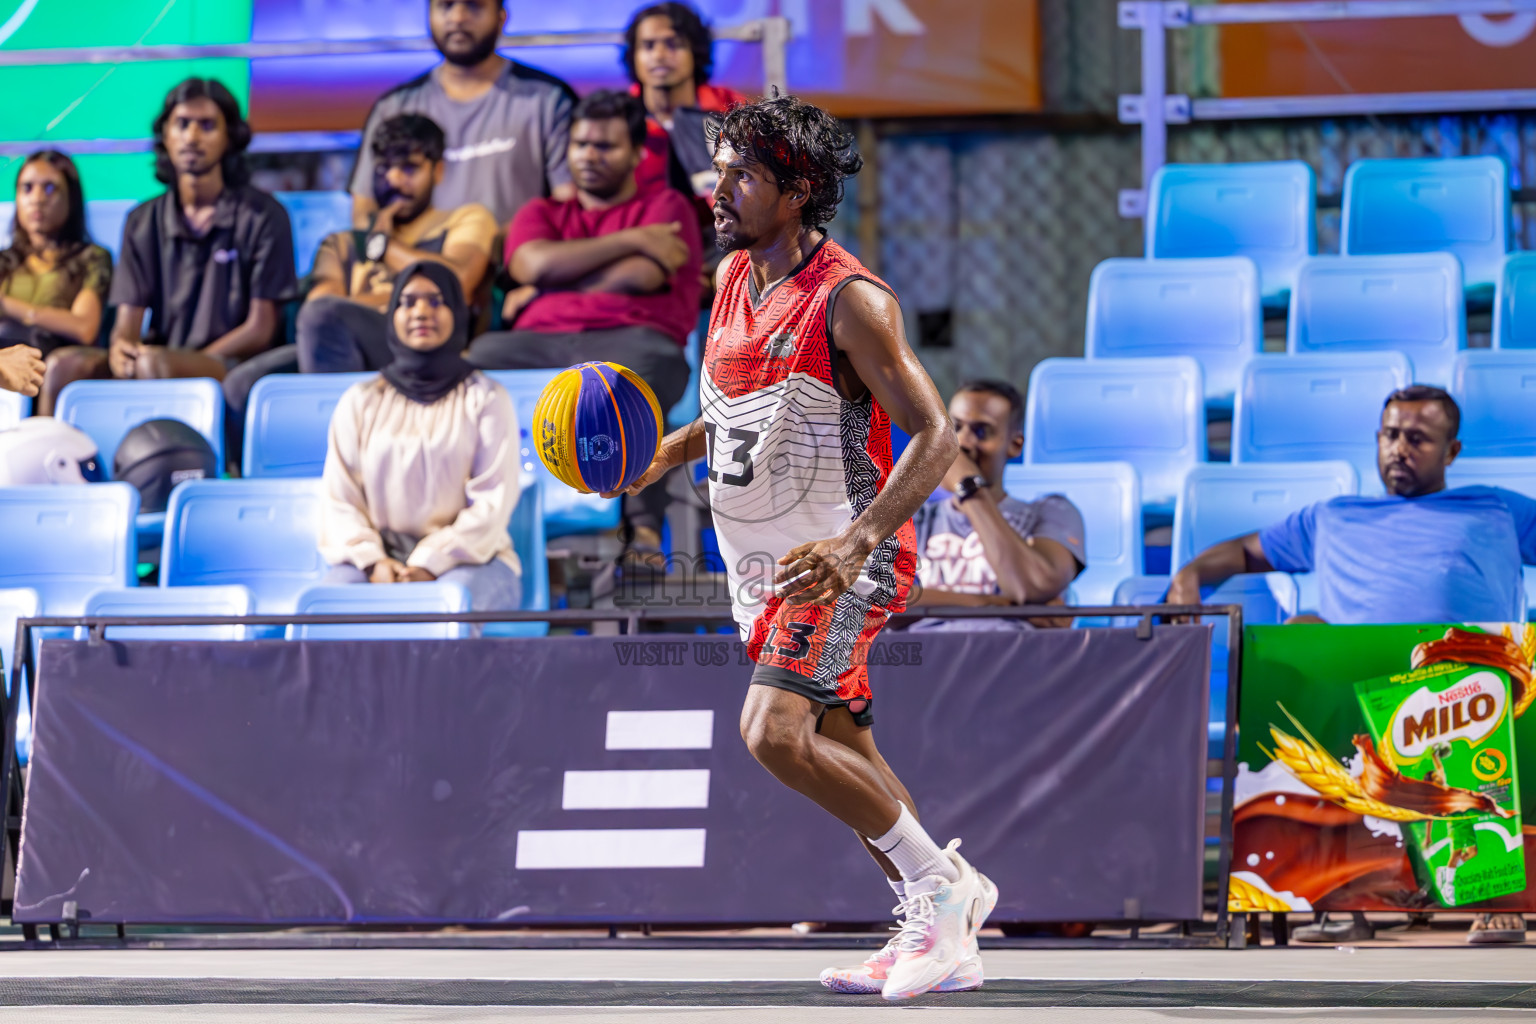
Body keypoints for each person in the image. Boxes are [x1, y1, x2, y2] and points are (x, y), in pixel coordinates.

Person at [613, 96, 994, 1001]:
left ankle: (943, 891)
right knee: (843, 750)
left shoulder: (851, 299)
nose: (720, 189)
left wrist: (855, 540)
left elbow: (937, 434)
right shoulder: (734, 278)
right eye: (721, 170)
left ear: (799, 190)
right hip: (764, 570)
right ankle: (943, 929)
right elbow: (751, 405)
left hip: (841, 557)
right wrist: (679, 442)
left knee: (772, 733)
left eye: (743, 174)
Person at [1169, 384, 1536, 946]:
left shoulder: (1496, 508)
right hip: (1353, 680)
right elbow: (1245, 551)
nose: (1399, 449)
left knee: (1476, 669)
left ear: (1452, 451)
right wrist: (1190, 575)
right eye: (1390, 435)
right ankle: (1337, 893)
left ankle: (1494, 892)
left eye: (1418, 438)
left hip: (1463, 673)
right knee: (1299, 637)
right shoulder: (1333, 516)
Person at [467, 89, 699, 565]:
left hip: (633, 341)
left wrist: (553, 283)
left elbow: (645, 275)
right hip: (537, 344)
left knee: (629, 387)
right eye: (580, 144)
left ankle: (643, 534)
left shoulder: (667, 207)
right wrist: (633, 241)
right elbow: (530, 262)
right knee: (472, 364)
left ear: (637, 154)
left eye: (605, 146)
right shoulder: (542, 212)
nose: (589, 156)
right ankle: (475, 515)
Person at [222, 113, 497, 443]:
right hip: (346, 349)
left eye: (409, 168)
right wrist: (386, 300)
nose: (394, 179)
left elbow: (457, 284)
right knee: (242, 386)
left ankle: (349, 449)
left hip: (429, 347)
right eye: (383, 169)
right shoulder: (341, 243)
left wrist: (384, 245)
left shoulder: (465, 219)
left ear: (437, 171)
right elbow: (322, 309)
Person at [41, 78, 296, 407]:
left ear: (229, 137)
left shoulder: (265, 215)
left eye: (206, 125)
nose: (192, 137)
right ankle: (48, 454)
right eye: (182, 124)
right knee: (63, 366)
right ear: (165, 135)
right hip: (157, 358)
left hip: (233, 363)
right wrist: (121, 348)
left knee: (153, 364)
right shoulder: (142, 220)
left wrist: (186, 361)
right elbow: (127, 324)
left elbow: (261, 329)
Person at [318, 261, 522, 615]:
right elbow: (339, 500)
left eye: (436, 301)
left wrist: (430, 562)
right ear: (392, 314)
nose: (421, 312)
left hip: (472, 561)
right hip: (378, 561)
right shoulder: (361, 399)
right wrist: (372, 561)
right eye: (408, 301)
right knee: (331, 610)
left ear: (458, 313)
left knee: (447, 608)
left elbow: (492, 504)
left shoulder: (486, 398)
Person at [349, 0, 576, 228]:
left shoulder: (548, 100)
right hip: (413, 260)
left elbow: (569, 203)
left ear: (501, 17)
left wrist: (485, 247)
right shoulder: (394, 107)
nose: (458, 17)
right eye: (446, 5)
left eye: (474, 5)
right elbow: (364, 208)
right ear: (428, 16)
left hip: (516, 259)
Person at [906, 380, 1084, 629]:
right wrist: (989, 603)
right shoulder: (916, 518)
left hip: (1012, 659)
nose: (963, 443)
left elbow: (1030, 586)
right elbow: (877, 602)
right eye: (955, 428)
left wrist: (969, 487)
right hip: (926, 660)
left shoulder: (1052, 512)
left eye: (981, 431)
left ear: (1015, 444)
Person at [0, 151, 112, 411]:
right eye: (27, 188)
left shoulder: (92, 258)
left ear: (71, 198)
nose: (37, 199)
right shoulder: (4, 262)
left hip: (57, 359)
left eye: (50, 188)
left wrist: (10, 307)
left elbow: (84, 327)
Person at [624, 2, 746, 202]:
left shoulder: (733, 109)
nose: (659, 55)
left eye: (673, 44)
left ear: (695, 51)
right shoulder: (619, 118)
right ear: (633, 56)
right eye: (648, 46)